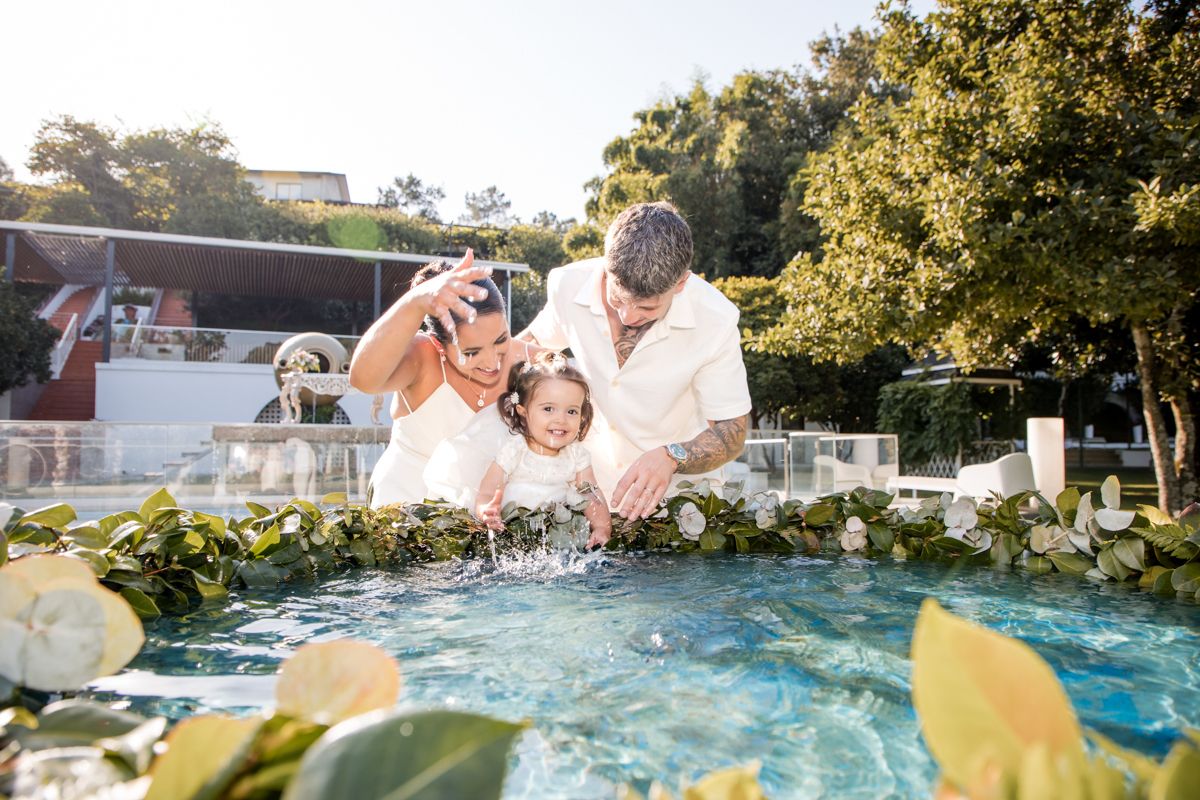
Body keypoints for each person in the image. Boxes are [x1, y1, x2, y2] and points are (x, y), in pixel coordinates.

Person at [517, 201, 752, 521]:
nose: (628, 316)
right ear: (606, 266)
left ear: (680, 283)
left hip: (680, 508)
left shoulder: (716, 319)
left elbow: (733, 431)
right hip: (583, 496)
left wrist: (673, 457)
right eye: (617, 298)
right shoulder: (567, 284)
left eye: (647, 309)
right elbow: (527, 347)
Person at [349, 249, 537, 507]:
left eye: (501, 339)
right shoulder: (421, 357)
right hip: (403, 510)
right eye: (471, 352)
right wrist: (415, 302)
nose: (493, 361)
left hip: (487, 519)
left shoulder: (531, 362)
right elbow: (363, 379)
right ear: (439, 344)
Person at [474, 351, 612, 549]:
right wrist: (485, 511)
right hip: (514, 533)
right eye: (548, 409)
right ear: (523, 413)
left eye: (571, 411)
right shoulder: (514, 452)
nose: (561, 419)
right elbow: (487, 493)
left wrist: (601, 528)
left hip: (560, 536)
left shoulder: (576, 456)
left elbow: (591, 495)